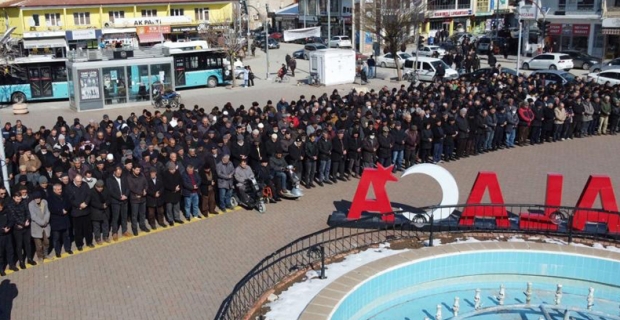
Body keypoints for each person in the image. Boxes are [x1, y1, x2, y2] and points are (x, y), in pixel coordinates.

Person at [7, 190, 36, 268]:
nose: (19, 201)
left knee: (28, 243)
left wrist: (27, 220)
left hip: (26, 226)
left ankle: (29, 258)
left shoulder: (24, 202)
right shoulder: (10, 205)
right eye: (17, 199)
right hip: (17, 228)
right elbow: (14, 217)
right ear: (13, 198)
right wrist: (22, 224)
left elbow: (28, 212)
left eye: (20, 199)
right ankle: (21, 261)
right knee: (19, 245)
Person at [66, 174, 93, 251]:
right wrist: (79, 205)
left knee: (88, 228)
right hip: (76, 212)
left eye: (80, 181)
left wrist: (86, 203)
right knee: (78, 230)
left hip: (86, 210)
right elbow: (70, 199)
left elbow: (89, 195)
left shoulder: (85, 184)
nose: (79, 183)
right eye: (78, 181)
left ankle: (89, 242)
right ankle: (79, 244)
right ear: (74, 179)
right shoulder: (69, 187)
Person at [48, 183, 72, 257]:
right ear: (54, 190)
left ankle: (67, 248)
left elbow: (68, 203)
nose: (60, 191)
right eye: (58, 189)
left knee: (67, 236)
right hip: (56, 220)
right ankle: (57, 251)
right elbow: (51, 208)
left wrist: (66, 209)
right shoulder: (50, 198)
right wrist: (61, 211)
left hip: (65, 219)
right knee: (56, 237)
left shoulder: (65, 195)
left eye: (60, 189)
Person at [106, 165, 130, 240]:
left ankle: (124, 231)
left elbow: (127, 187)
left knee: (124, 216)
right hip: (115, 201)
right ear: (114, 172)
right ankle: (114, 232)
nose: (119, 174)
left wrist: (125, 195)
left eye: (120, 173)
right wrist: (120, 197)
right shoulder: (109, 179)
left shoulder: (124, 177)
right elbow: (110, 191)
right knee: (115, 218)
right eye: (118, 173)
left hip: (124, 200)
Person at [29, 191, 51, 262]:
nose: (37, 199)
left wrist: (46, 221)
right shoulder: (31, 204)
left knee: (46, 241)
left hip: (45, 225)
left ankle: (46, 254)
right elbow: (33, 216)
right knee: (39, 244)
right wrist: (42, 222)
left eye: (38, 198)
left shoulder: (44, 202)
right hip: (37, 227)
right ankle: (40, 256)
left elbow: (47, 212)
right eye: (36, 198)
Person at [127, 164, 149, 234]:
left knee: (142, 214)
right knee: (134, 215)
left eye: (139, 170)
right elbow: (131, 188)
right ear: (133, 169)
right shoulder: (129, 177)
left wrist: (145, 190)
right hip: (134, 199)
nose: (138, 171)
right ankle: (134, 228)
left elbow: (146, 184)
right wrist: (141, 193)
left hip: (142, 199)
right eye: (137, 170)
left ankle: (142, 226)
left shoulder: (142, 176)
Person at [0, 201, 18, 275]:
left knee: (10, 250)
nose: (0, 208)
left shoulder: (7, 211)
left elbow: (11, 220)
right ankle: (1, 269)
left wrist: (8, 227)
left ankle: (11, 265)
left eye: (1, 206)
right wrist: (2, 230)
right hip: (0, 236)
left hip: (8, 234)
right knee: (0, 253)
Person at [90, 180, 110, 244]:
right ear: (95, 186)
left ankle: (105, 236)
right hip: (96, 211)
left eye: (101, 187)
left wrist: (106, 204)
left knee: (105, 224)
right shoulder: (91, 191)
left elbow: (109, 199)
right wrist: (101, 206)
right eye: (99, 187)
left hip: (105, 211)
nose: (100, 188)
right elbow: (92, 202)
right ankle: (97, 238)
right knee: (96, 226)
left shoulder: (106, 190)